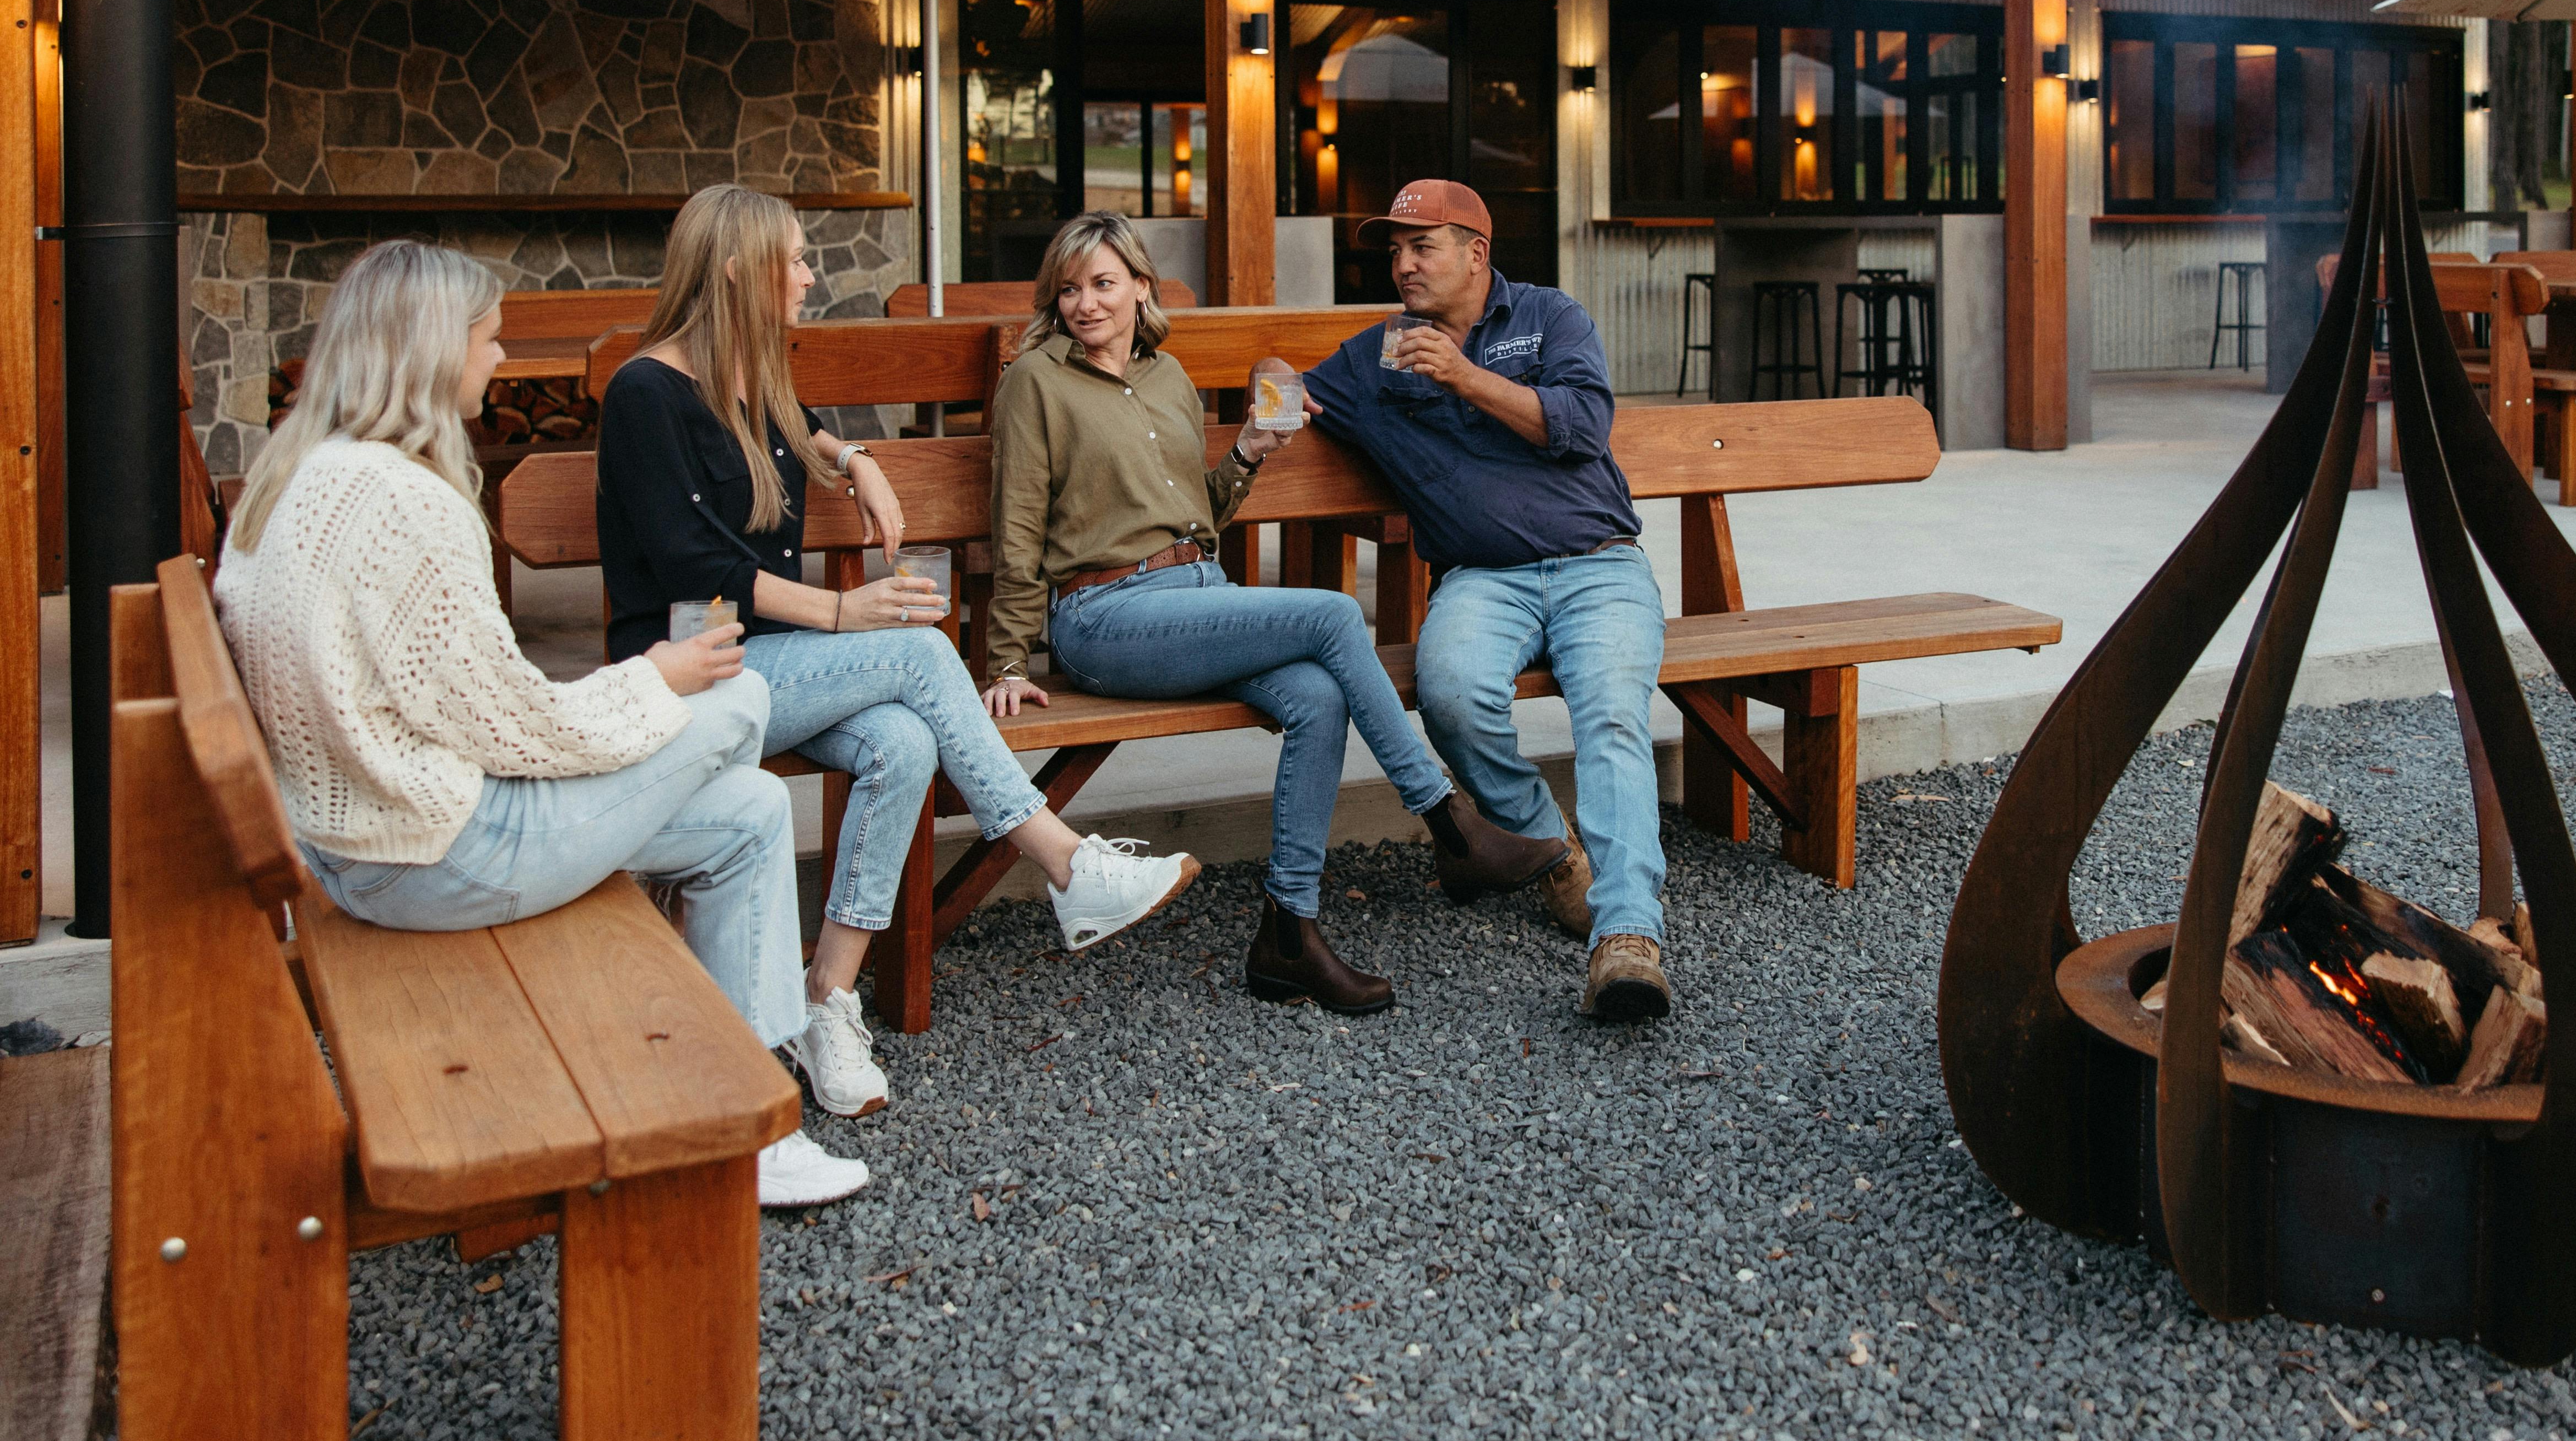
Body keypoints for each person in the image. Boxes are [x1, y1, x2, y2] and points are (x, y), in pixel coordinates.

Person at [213, 240, 869, 1208]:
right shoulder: (404, 502)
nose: (499, 361)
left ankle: (747, 1106)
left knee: (750, 811)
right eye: (488, 340)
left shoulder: (291, 476)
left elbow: (482, 717)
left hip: (356, 841)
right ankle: (729, 1107)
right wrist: (656, 679)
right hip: (441, 851)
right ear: (432, 353)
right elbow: (518, 730)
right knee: (740, 700)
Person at [597, 186, 1197, 1118]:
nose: (808, 277)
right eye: (794, 260)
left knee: (903, 743)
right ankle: (1068, 865)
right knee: (916, 651)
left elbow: (799, 427)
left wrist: (855, 462)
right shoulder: (646, 391)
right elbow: (694, 568)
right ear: (734, 270)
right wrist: (845, 615)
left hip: (772, 666)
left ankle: (826, 1000)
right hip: (688, 672)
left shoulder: (750, 377)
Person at [979, 212, 1564, 1013]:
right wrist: (1008, 659)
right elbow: (1015, 529)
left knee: (1318, 697)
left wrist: (1250, 450)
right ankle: (1450, 822)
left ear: (1141, 289)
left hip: (1196, 595)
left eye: (1105, 284)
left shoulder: (1168, 379)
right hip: (1103, 616)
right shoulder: (1035, 381)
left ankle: (1290, 933)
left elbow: (1197, 516)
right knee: (1330, 615)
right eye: (1070, 289)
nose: (1086, 303)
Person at [1304, 180, 1673, 1022]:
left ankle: (1627, 936)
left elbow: (1581, 428)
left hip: (1599, 565)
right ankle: (1554, 855)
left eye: (1420, 247)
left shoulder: (1551, 318)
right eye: (1393, 250)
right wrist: (1267, 382)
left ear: (1477, 252)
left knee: (1612, 714)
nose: (1401, 265)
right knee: (1452, 694)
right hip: (1482, 577)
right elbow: (1303, 391)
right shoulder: (1381, 352)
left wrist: (1466, 378)